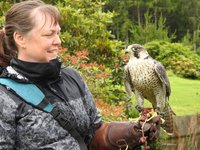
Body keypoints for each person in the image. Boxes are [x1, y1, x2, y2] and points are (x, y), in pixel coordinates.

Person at [0, 0, 160, 149]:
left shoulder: (72, 78)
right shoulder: (5, 95)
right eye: (49, 34)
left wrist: (134, 131)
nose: (58, 41)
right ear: (20, 38)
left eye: (58, 33)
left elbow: (94, 134)